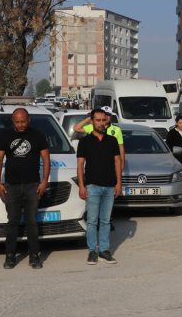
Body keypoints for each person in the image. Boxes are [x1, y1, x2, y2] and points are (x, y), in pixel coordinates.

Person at [0, 108, 50, 270]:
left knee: (32, 222)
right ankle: (10, 255)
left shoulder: (38, 136)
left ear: (29, 120)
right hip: (11, 186)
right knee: (12, 222)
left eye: (23, 121)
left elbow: (46, 160)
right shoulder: (5, 136)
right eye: (17, 122)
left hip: (32, 185)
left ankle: (34, 255)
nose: (20, 125)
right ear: (13, 120)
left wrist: (44, 181)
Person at [76, 108, 122, 265]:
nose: (102, 123)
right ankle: (92, 251)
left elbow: (117, 162)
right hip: (92, 186)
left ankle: (104, 250)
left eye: (104, 120)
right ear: (92, 121)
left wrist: (119, 183)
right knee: (92, 221)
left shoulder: (112, 140)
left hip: (110, 187)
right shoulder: (84, 141)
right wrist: (81, 186)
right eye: (98, 120)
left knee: (105, 220)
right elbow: (80, 165)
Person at [73, 106, 125, 170]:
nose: (106, 117)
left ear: (111, 116)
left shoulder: (117, 129)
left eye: (108, 115)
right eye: (105, 115)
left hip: (110, 163)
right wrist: (89, 119)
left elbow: (121, 147)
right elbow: (76, 128)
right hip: (94, 163)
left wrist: (122, 162)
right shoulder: (92, 127)